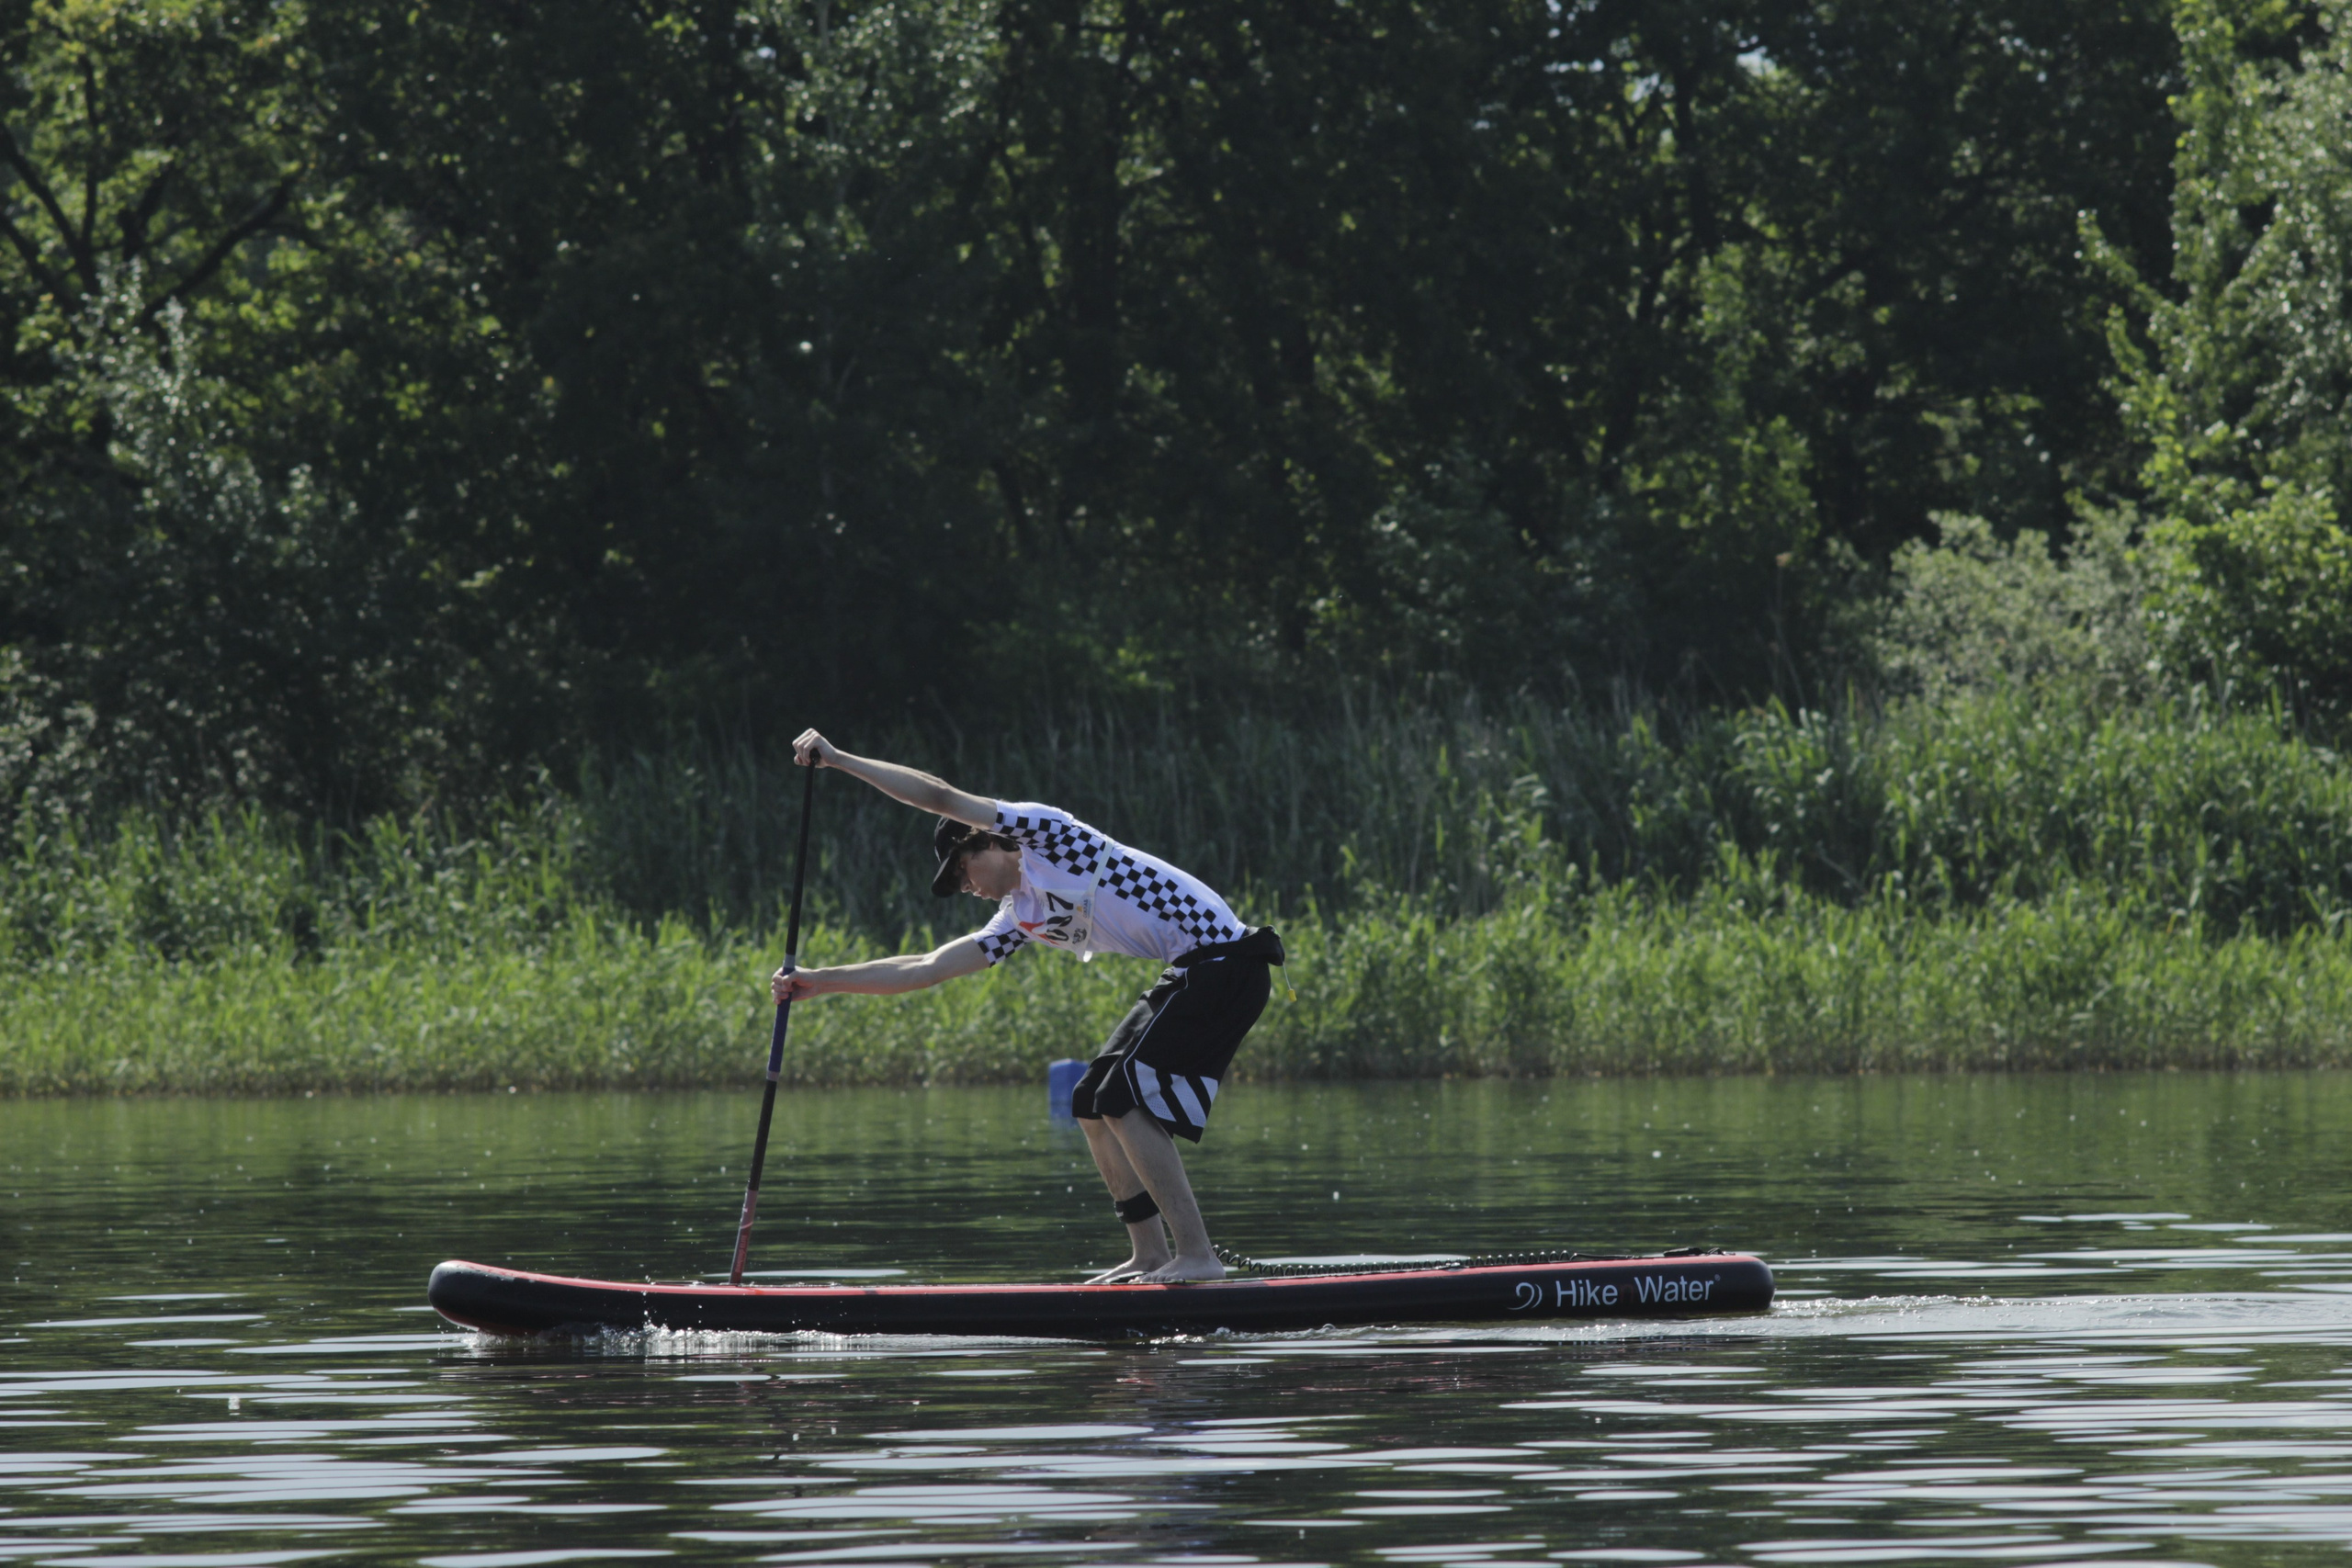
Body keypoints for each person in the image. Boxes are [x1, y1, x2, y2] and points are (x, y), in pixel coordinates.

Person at [771, 729, 1284, 1284]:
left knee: (1123, 1098)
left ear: (986, 841)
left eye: (962, 871)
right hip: (1192, 969)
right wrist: (820, 982)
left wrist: (841, 760)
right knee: (1090, 1102)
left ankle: (1198, 1257)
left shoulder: (1051, 836)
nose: (965, 886)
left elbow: (941, 796)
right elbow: (927, 967)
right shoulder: (1022, 915)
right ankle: (1152, 1255)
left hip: (1228, 962)